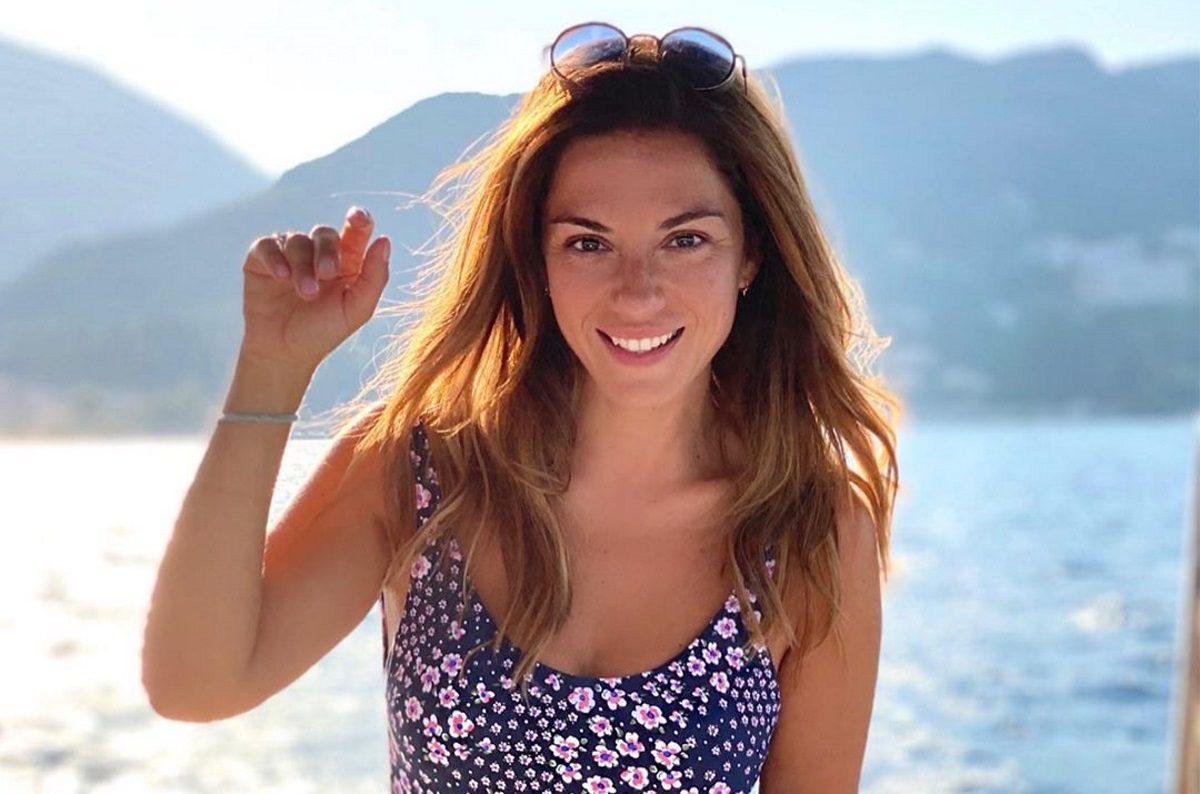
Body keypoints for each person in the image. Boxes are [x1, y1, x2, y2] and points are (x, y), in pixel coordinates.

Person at [141, 21, 902, 793]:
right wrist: (271, 370)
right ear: (537, 262)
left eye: (685, 241)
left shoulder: (809, 532)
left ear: (750, 255)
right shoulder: (422, 475)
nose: (637, 291)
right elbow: (194, 685)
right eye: (588, 243)